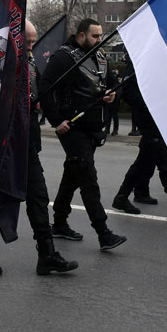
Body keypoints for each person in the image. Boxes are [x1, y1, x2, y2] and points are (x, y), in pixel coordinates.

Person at [0, 21, 79, 277]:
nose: (31, 47)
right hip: (0, 144)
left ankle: (47, 255)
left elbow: (40, 93)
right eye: (27, 42)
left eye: (33, 42)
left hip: (27, 142)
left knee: (39, 198)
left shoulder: (30, 62)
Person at [40, 18, 126, 250]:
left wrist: (111, 94)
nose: (100, 40)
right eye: (95, 36)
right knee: (89, 180)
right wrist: (57, 121)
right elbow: (45, 88)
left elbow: (111, 83)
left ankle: (58, 222)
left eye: (100, 36)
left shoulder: (99, 56)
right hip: (72, 128)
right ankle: (103, 233)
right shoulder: (64, 57)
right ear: (81, 35)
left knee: (73, 174)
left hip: (93, 128)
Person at [111, 61, 167, 227]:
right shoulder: (140, 59)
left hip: (162, 119)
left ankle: (122, 197)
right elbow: (128, 91)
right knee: (165, 165)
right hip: (149, 119)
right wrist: (149, 103)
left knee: (145, 163)